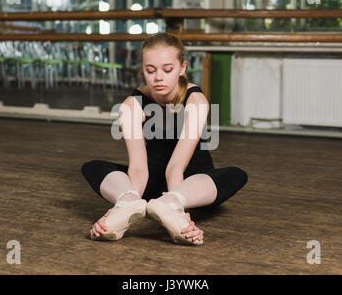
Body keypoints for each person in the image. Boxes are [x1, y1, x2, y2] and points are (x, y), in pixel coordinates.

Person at [81, 33, 248, 246]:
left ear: (182, 68)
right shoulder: (132, 105)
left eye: (167, 70)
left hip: (191, 185)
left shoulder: (195, 101)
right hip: (149, 186)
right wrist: (129, 203)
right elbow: (139, 168)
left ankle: (168, 203)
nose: (158, 77)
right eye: (150, 71)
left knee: (235, 175)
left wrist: (177, 207)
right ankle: (128, 201)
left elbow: (176, 166)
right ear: (142, 69)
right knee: (92, 167)